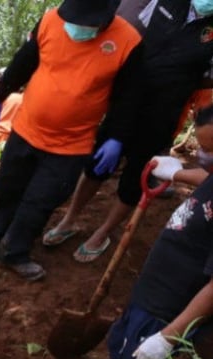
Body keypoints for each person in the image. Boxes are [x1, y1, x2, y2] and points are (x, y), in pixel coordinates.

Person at [0, 0, 142, 281]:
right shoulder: (50, 21)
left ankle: (15, 252)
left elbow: (128, 97)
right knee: (9, 190)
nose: (79, 28)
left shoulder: (128, 42)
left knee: (41, 201)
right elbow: (25, 59)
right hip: (26, 130)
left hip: (71, 144)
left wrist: (116, 138)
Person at [42, 0, 213, 264]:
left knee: (136, 176)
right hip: (128, 98)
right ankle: (69, 219)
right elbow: (128, 28)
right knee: (98, 163)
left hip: (164, 112)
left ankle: (104, 232)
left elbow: (206, 81)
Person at [62, 170, 213, 359]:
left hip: (171, 305)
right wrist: (177, 171)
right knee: (123, 342)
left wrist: (166, 338)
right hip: (155, 287)